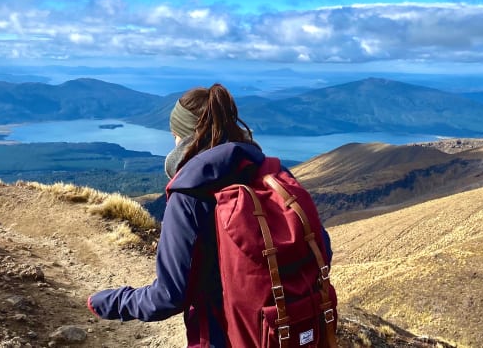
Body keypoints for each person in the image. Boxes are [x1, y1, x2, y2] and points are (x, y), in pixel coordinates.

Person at [87, 83, 332, 347]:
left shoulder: (189, 195)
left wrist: (110, 301)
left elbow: (168, 296)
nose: (174, 143)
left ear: (187, 137)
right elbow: (321, 249)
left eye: (174, 136)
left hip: (224, 338)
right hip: (296, 329)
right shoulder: (275, 174)